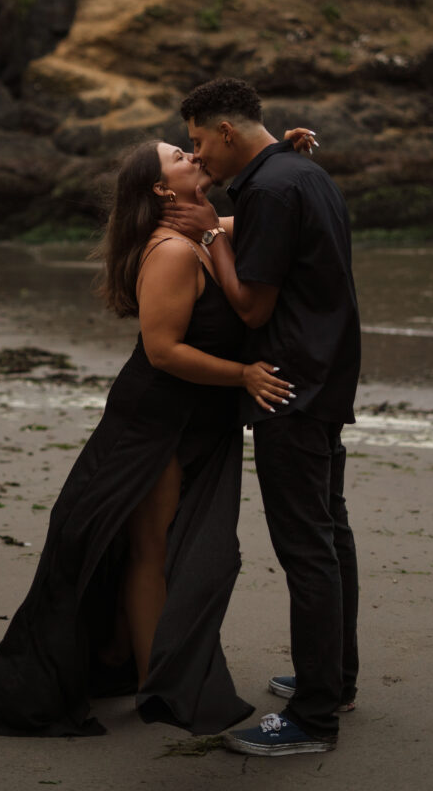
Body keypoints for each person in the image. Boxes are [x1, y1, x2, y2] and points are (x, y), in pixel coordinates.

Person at [0, 138, 301, 738]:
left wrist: (280, 151)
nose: (194, 155)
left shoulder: (204, 230)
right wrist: (244, 375)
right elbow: (163, 352)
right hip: (155, 421)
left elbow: (272, 208)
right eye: (180, 155)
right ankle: (161, 688)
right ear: (159, 188)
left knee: (176, 549)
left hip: (197, 417)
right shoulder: (173, 250)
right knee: (151, 549)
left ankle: (140, 665)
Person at [163, 77, 360, 757]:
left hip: (287, 388)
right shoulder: (294, 170)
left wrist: (204, 237)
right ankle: (332, 682)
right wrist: (209, 222)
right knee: (329, 534)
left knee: (306, 546)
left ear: (223, 131)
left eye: (196, 142)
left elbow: (252, 308)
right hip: (324, 374)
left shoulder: (275, 186)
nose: (198, 158)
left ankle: (312, 719)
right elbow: (269, 233)